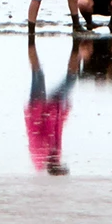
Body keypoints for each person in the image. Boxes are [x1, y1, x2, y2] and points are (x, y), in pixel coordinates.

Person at [24, 35, 77, 175]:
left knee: (38, 74)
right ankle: (78, 47)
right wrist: (64, 112)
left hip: (38, 107)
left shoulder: (39, 153)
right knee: (71, 78)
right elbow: (58, 130)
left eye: (59, 165)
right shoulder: (55, 154)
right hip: (54, 107)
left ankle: (31, 40)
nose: (60, 162)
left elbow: (35, 126)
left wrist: (38, 106)